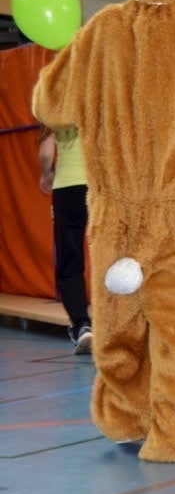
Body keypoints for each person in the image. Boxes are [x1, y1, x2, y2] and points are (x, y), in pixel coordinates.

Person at [37, 127, 92, 354]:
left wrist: (46, 173)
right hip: (99, 188)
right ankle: (118, 326)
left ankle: (82, 326)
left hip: (68, 190)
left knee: (70, 261)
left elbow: (47, 154)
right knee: (112, 259)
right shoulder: (96, 102)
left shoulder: (56, 108)